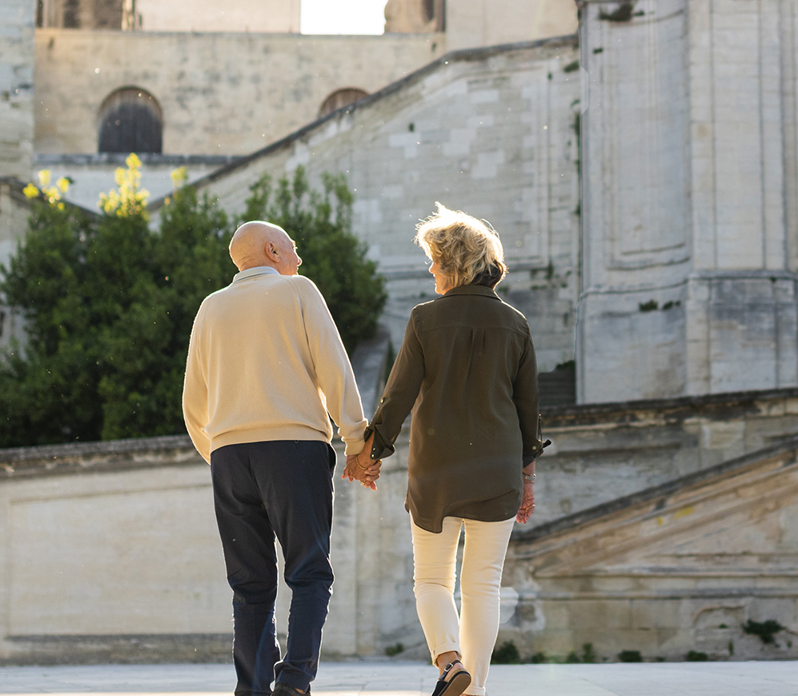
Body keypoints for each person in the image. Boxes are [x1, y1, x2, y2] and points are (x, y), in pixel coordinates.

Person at [183, 220, 381, 696]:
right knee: (310, 570)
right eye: (293, 249)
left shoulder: (210, 308)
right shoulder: (298, 292)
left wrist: (219, 453)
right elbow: (335, 368)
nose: (299, 259)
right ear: (272, 249)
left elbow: (194, 401)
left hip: (229, 455)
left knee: (250, 583)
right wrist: (357, 444)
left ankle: (252, 688)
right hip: (294, 450)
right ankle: (293, 682)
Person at [360, 204, 549, 696]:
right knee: (483, 584)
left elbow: (397, 395)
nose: (430, 270)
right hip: (499, 469)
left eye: (434, 261)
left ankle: (449, 664)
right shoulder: (517, 325)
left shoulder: (425, 319)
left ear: (454, 263)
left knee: (431, 580)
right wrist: (527, 478)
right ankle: (476, 689)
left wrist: (371, 453)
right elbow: (528, 409)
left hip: (436, 472)